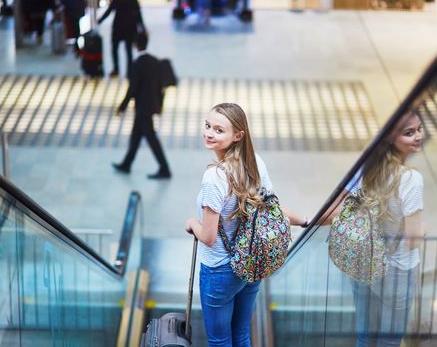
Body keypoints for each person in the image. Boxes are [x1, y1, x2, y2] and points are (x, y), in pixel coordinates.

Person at [184, 103, 309, 346]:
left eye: (218, 130)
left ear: (238, 135)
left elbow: (208, 237)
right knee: (241, 334)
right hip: (252, 262)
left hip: (219, 268)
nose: (209, 133)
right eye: (207, 126)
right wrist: (304, 221)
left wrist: (192, 223)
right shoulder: (255, 164)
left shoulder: (214, 178)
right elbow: (271, 207)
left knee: (220, 339)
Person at [348, 110, 426, 347]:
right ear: (390, 138)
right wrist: (423, 228)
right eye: (409, 133)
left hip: (363, 262)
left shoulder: (366, 168)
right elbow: (413, 239)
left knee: (365, 334)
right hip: (398, 269)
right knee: (389, 341)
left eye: (419, 129)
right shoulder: (411, 179)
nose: (418, 136)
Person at [112, 33, 171, 179]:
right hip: (150, 106)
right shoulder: (154, 61)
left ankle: (164, 168)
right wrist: (159, 105)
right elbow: (160, 86)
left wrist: (122, 106)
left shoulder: (137, 63)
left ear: (135, 45)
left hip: (142, 108)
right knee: (136, 136)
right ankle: (127, 163)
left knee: (151, 138)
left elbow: (133, 88)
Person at [98, 0, 145, 77]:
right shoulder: (132, 0)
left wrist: (100, 20)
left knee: (115, 49)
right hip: (129, 28)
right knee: (128, 51)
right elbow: (138, 14)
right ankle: (129, 72)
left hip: (118, 28)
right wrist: (142, 27)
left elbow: (109, 11)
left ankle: (117, 70)